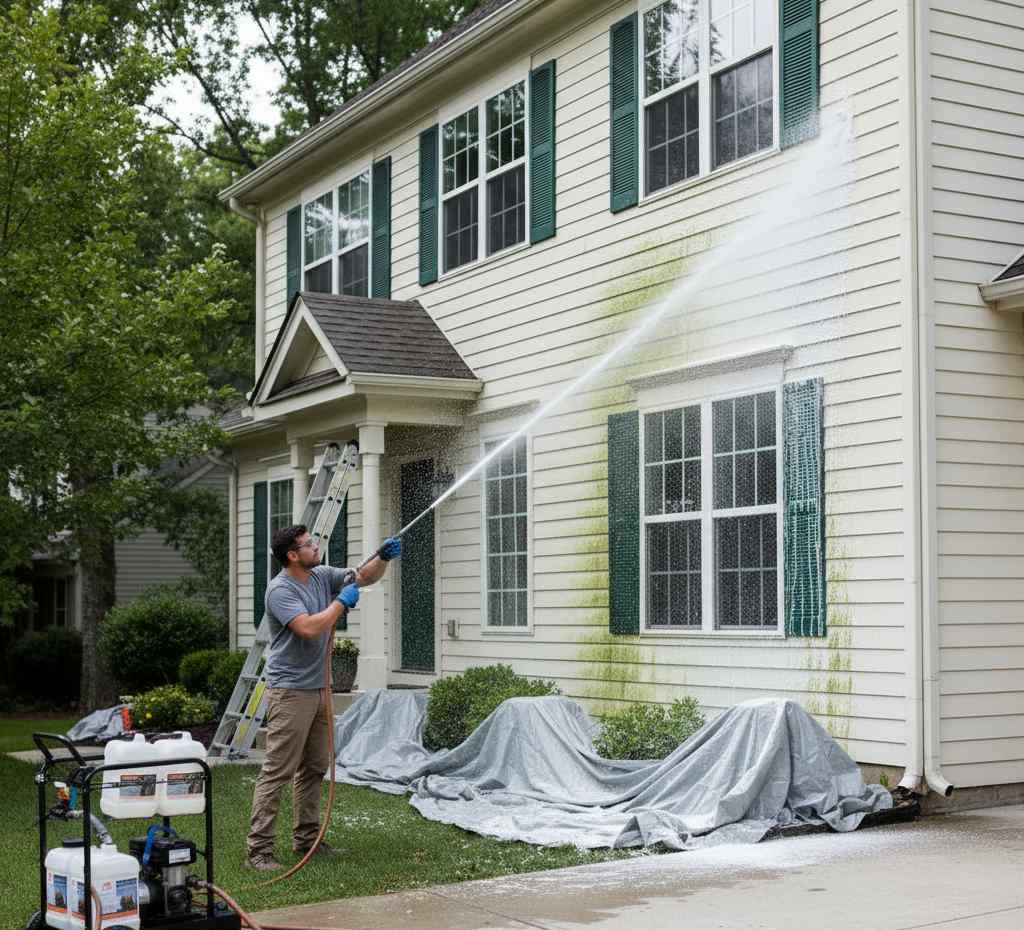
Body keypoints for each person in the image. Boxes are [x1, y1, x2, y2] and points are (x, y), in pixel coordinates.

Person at [245, 523, 401, 870]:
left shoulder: (321, 575)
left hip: (320, 688)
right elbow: (308, 627)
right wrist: (340, 604)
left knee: (315, 766)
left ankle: (307, 840)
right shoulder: (280, 590)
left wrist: (383, 558)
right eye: (308, 544)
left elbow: (363, 576)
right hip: (290, 691)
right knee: (278, 771)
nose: (316, 547)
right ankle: (259, 851)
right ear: (292, 555)